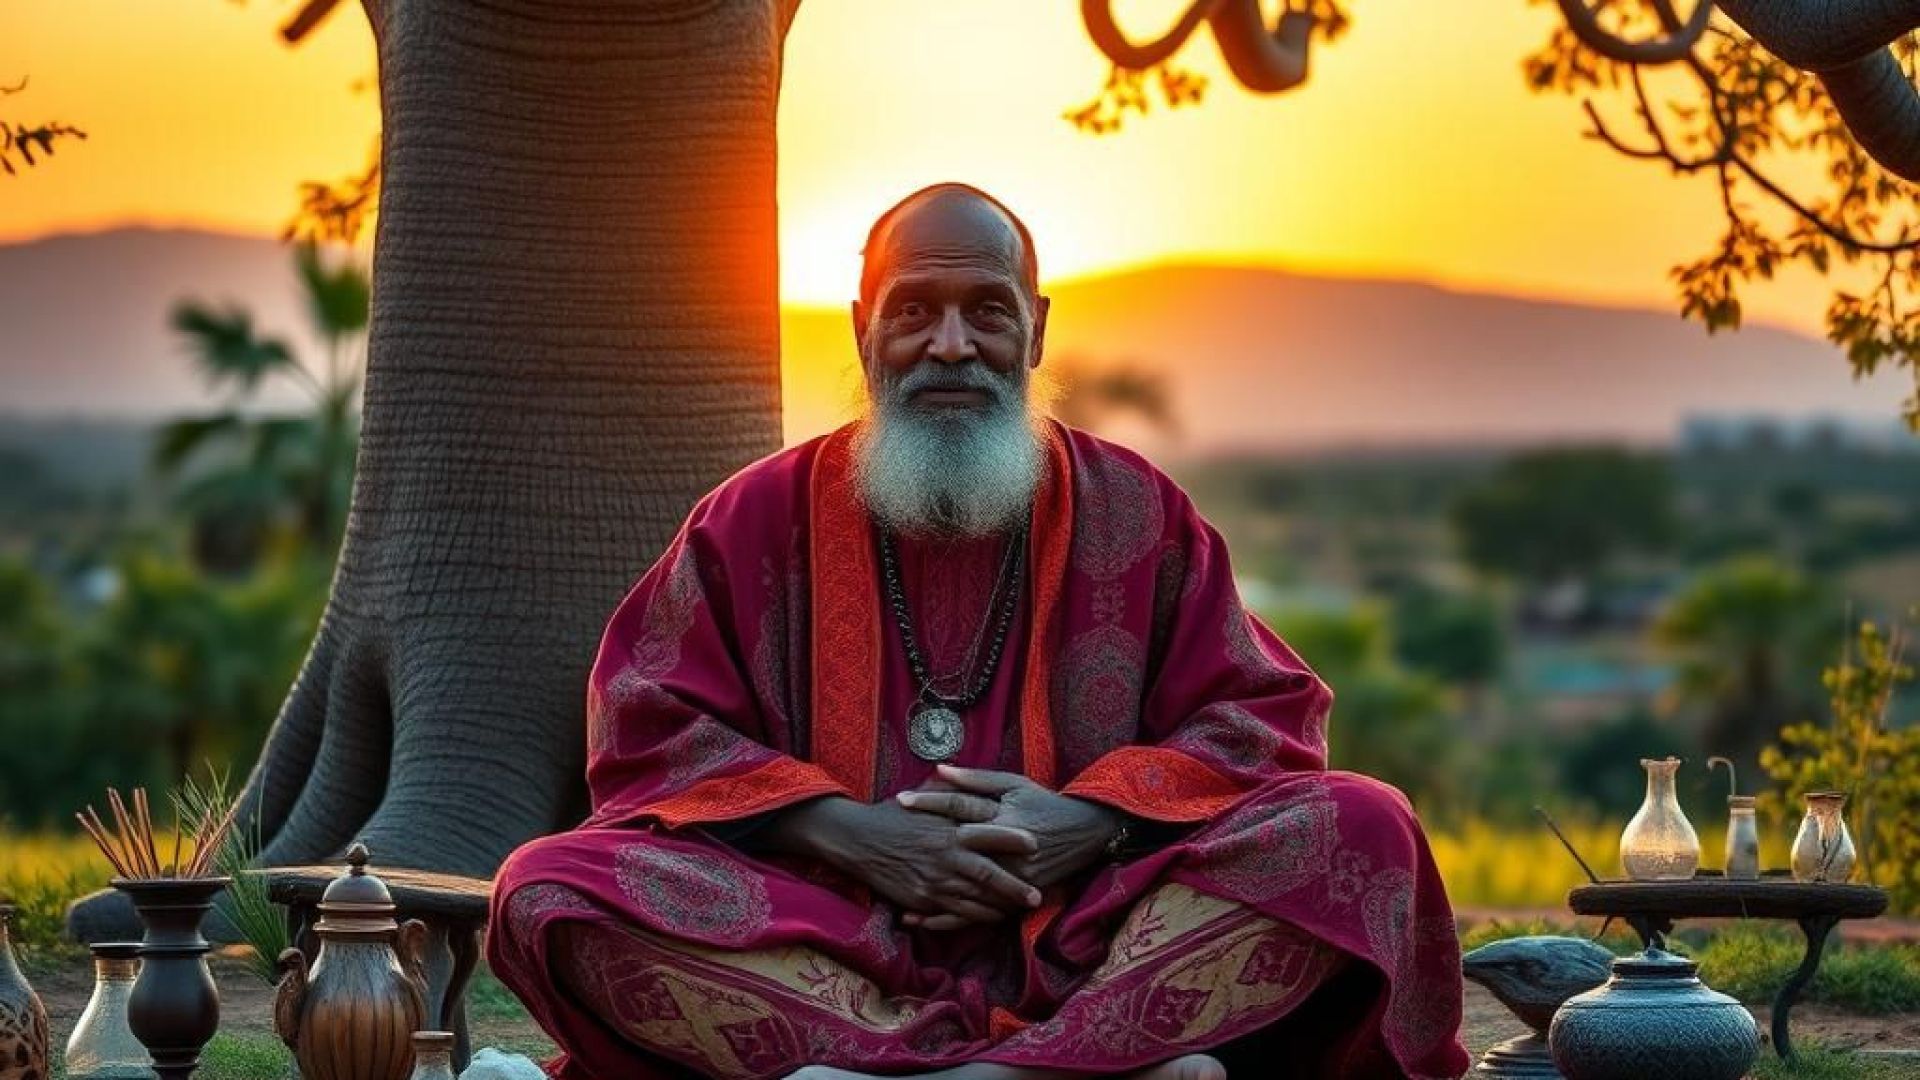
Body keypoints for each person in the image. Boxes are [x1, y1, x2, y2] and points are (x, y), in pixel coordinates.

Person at [487, 183, 1469, 1080]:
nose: (951, 343)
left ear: (1035, 332)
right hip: (822, 941)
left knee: (1365, 825)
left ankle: (987, 1073)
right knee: (543, 889)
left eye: (987, 311)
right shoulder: (752, 518)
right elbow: (645, 729)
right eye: (914, 309)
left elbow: (1266, 720)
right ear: (865, 328)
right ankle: (1090, 1071)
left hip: (1093, 936)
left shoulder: (1137, 511)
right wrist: (848, 833)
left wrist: (1091, 821)